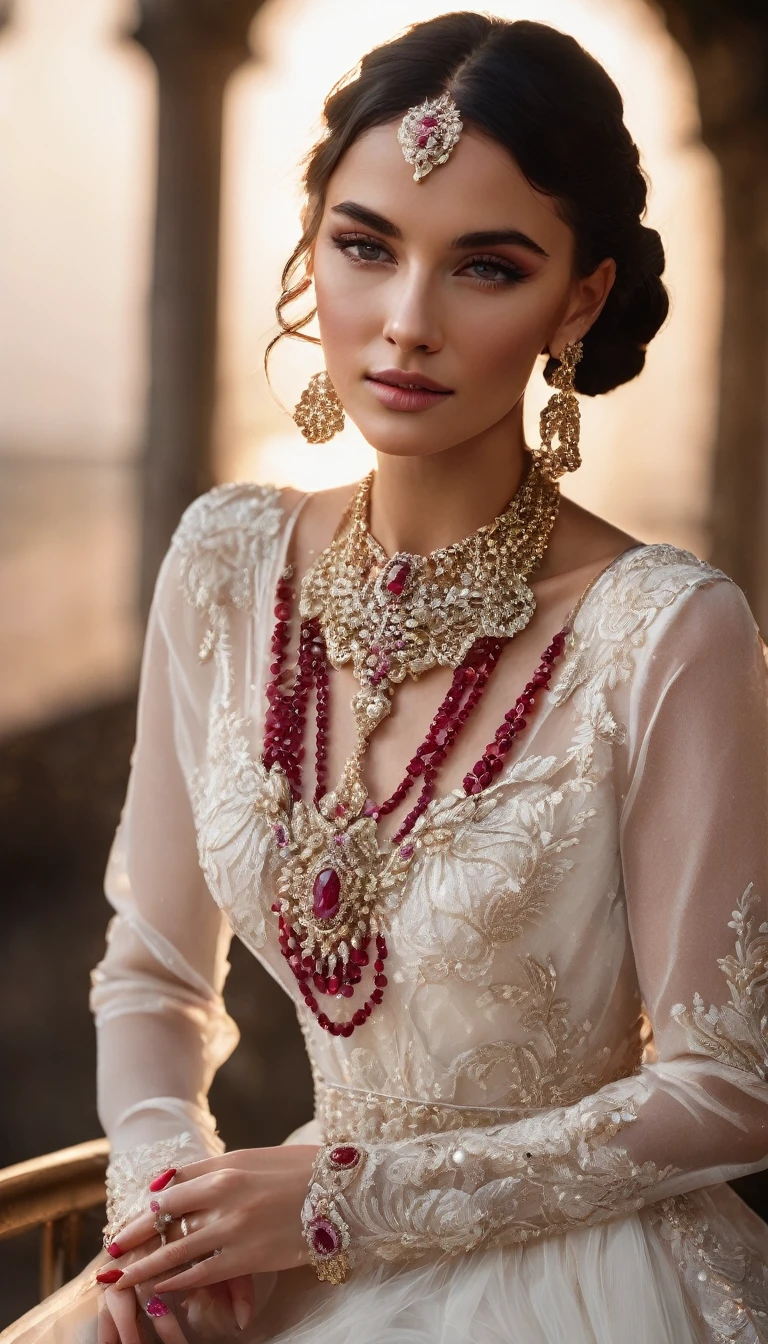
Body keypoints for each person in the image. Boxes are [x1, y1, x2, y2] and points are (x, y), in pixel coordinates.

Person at [4, 12, 768, 1343]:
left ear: (578, 298)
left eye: (486, 267)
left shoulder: (666, 631)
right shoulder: (227, 563)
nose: (404, 323)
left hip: (580, 1281)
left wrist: (345, 1204)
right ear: (312, 246)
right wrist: (162, 1207)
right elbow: (152, 975)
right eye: (366, 247)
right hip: (281, 1253)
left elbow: (725, 1089)